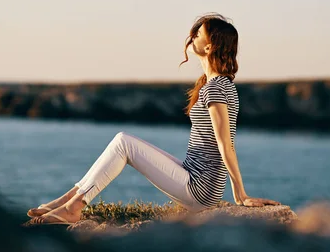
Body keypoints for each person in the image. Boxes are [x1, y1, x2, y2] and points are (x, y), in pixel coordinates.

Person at [24, 13, 280, 225]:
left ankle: (74, 207)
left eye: (198, 34)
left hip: (199, 188)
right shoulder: (217, 85)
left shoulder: (215, 88)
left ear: (211, 45)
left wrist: (240, 194)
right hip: (193, 174)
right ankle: (68, 200)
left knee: (123, 142)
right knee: (122, 142)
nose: (193, 36)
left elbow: (226, 144)